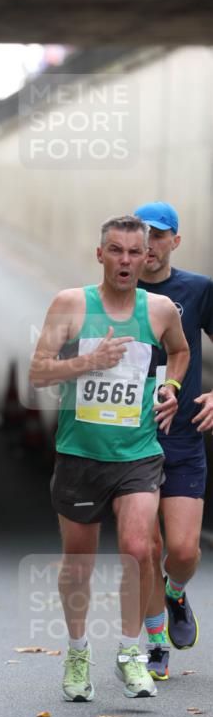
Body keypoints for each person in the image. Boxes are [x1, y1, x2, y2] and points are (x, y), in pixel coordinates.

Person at [30, 215, 189, 701]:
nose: (125, 261)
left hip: (138, 452)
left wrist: (171, 386)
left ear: (149, 257)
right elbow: (38, 373)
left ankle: (129, 653)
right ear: (100, 255)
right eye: (115, 251)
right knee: (78, 563)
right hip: (80, 453)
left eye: (134, 253)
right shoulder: (71, 304)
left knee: (141, 549)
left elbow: (179, 352)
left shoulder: (160, 310)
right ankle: (78, 654)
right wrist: (87, 362)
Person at [134, 202, 213, 679]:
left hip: (182, 436)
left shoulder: (198, 290)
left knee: (181, 550)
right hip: (131, 440)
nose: (149, 245)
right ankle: (156, 639)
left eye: (159, 236)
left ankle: (176, 592)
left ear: (174, 242)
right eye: (142, 236)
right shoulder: (115, 292)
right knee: (143, 546)